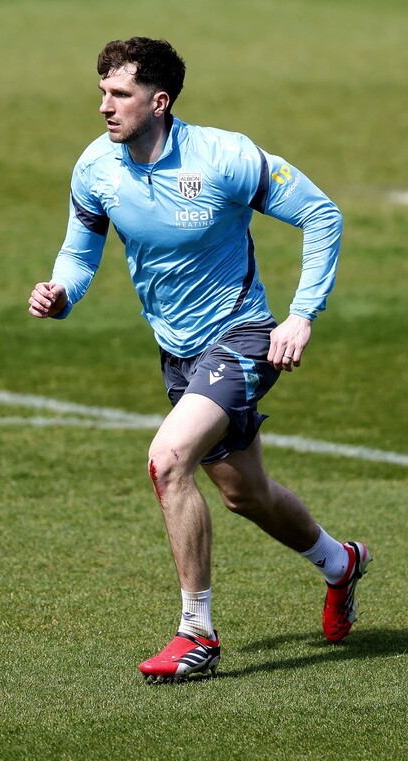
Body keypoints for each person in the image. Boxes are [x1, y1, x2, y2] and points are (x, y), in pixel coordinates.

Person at [28, 37, 370, 682]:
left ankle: (197, 635)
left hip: (243, 337)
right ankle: (339, 563)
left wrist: (301, 315)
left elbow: (322, 215)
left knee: (167, 460)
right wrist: (60, 293)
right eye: (101, 90)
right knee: (247, 495)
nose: (104, 104)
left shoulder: (225, 157)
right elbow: (79, 252)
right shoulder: (96, 168)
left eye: (119, 93)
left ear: (159, 102)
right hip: (178, 350)